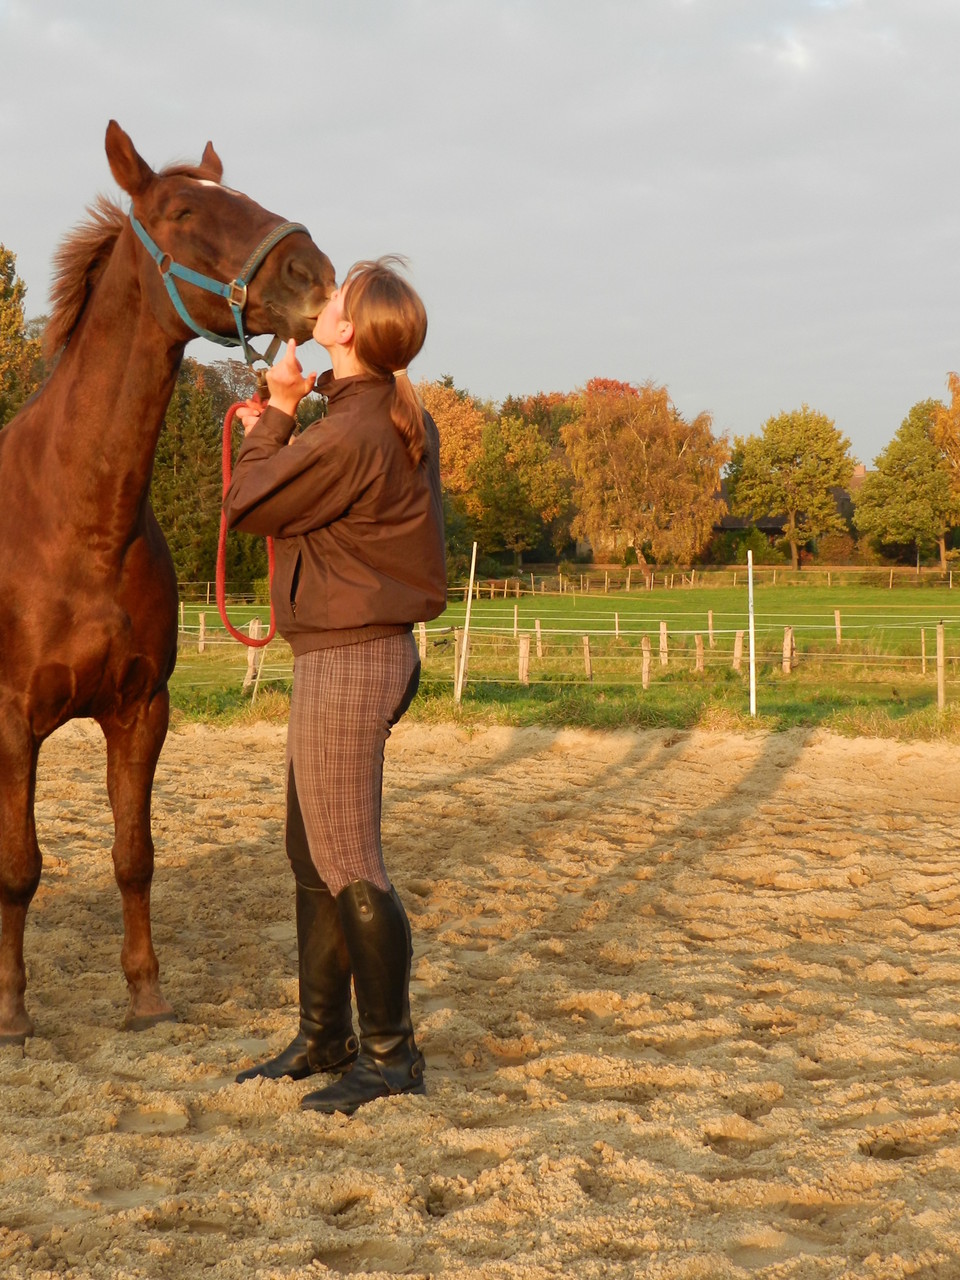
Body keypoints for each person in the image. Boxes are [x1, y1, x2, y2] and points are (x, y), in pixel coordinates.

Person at [223, 257, 446, 1115]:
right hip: (347, 652)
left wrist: (276, 411)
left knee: (349, 859)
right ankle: (326, 1038)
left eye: (336, 298)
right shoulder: (367, 415)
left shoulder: (353, 432)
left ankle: (391, 1056)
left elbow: (250, 500)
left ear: (348, 332)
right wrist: (297, 406)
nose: (323, 304)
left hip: (352, 658)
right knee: (311, 855)